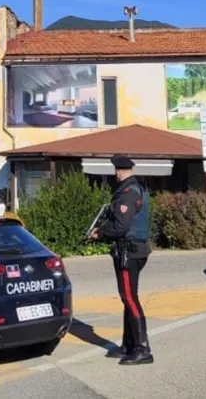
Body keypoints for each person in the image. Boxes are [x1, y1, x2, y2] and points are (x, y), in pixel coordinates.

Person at [89, 156, 154, 365]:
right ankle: (129, 344)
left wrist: (100, 233)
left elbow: (120, 227)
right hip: (136, 250)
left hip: (129, 252)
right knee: (128, 297)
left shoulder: (127, 194)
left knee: (129, 298)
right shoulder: (138, 188)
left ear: (118, 171)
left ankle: (143, 349)